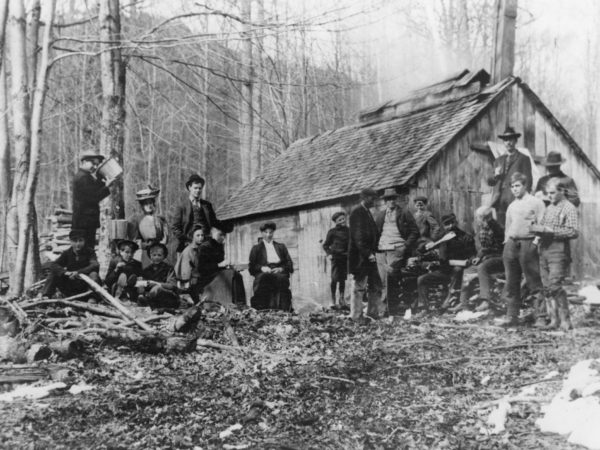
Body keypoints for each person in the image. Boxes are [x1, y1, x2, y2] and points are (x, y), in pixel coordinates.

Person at [498, 172, 545, 327]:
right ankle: (512, 315)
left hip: (528, 243)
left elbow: (542, 224)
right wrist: (507, 242)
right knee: (511, 281)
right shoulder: (512, 205)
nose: (515, 189)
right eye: (512, 186)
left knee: (533, 280)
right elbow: (508, 226)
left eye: (517, 186)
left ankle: (541, 316)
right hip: (512, 244)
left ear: (525, 186)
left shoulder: (536, 203)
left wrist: (536, 242)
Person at [532, 178, 579, 330]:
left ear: (562, 191)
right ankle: (553, 320)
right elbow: (543, 227)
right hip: (543, 249)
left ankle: (565, 321)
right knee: (547, 287)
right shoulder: (549, 208)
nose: (550, 196)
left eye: (552, 193)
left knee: (555, 285)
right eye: (548, 193)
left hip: (558, 251)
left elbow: (573, 231)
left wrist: (552, 232)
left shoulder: (569, 208)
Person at [416, 213, 476, 314]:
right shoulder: (442, 238)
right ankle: (424, 307)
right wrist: (425, 247)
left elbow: (472, 257)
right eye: (447, 224)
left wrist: (463, 262)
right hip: (444, 271)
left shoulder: (465, 238)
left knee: (457, 270)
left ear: (455, 222)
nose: (450, 226)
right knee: (421, 279)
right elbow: (425, 249)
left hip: (458, 272)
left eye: (452, 223)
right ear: (443, 226)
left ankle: (446, 303)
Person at [374, 188, 419, 315]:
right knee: (382, 280)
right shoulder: (381, 215)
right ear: (385, 201)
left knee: (391, 277)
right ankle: (384, 310)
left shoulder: (404, 213)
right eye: (388, 199)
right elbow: (376, 232)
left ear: (396, 200)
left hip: (397, 248)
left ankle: (392, 310)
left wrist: (405, 245)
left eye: (393, 199)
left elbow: (415, 231)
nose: (391, 202)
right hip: (382, 249)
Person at [452, 206, 504, 312]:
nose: (478, 219)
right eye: (478, 217)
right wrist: (478, 257)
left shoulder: (495, 227)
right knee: (468, 270)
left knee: (482, 267)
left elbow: (495, 247)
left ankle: (486, 300)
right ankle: (463, 302)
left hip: (498, 257)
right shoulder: (482, 228)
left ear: (485, 217)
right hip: (486, 257)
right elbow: (483, 248)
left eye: (479, 217)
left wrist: (482, 256)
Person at [170, 174, 229, 253]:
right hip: (187, 244)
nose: (198, 190)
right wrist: (186, 240)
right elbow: (175, 228)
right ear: (189, 188)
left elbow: (214, 222)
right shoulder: (181, 206)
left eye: (200, 188)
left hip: (205, 243)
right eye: (195, 188)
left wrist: (228, 226)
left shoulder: (207, 205)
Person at [348, 188, 383, 320]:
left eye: (375, 199)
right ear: (364, 198)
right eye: (372, 199)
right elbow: (358, 237)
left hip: (370, 255)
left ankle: (372, 313)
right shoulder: (357, 212)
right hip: (361, 257)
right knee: (359, 286)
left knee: (376, 285)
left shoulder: (366, 212)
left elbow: (373, 234)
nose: (374, 201)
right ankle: (356, 316)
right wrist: (368, 253)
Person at [487, 126, 533, 226]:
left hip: (515, 198)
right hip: (499, 200)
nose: (508, 142)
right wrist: (495, 174)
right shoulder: (498, 160)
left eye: (511, 139)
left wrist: (522, 200)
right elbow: (489, 182)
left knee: (514, 226)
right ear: (503, 142)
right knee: (500, 227)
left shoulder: (523, 158)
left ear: (516, 141)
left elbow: (528, 182)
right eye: (505, 140)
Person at [72, 150, 116, 247]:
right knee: (85, 249)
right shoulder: (82, 178)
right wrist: (107, 187)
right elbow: (93, 197)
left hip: (86, 222)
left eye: (97, 165)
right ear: (84, 162)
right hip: (83, 223)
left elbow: (95, 188)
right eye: (93, 163)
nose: (95, 167)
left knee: (87, 249)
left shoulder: (86, 176)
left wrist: (102, 180)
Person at [41, 229, 101, 298]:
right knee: (54, 273)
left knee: (94, 274)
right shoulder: (67, 253)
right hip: (71, 285)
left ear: (84, 241)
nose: (78, 244)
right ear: (71, 242)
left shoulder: (89, 252)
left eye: (80, 240)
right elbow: (53, 265)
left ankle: (92, 298)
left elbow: (95, 265)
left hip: (85, 286)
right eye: (75, 241)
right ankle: (46, 296)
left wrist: (78, 272)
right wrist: (65, 272)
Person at [248, 222, 294, 311]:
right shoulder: (256, 248)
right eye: (266, 232)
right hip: (264, 272)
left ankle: (283, 310)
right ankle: (262, 310)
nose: (268, 235)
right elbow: (251, 267)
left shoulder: (281, 247)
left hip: (279, 272)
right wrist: (262, 268)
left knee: (281, 280)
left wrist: (281, 268)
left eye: (271, 232)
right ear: (261, 233)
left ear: (273, 232)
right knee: (264, 279)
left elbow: (289, 263)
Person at [127, 187, 169, 266]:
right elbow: (134, 240)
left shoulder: (160, 219)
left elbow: (165, 237)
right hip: (144, 253)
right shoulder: (137, 220)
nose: (149, 206)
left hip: (159, 252)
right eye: (146, 203)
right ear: (142, 205)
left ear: (154, 204)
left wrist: (161, 245)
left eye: (150, 203)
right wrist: (146, 245)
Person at [322, 211, 350, 309]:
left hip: (345, 258)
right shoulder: (332, 232)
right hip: (335, 258)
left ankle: (341, 299)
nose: (343, 221)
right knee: (334, 279)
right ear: (336, 222)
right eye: (340, 220)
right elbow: (325, 245)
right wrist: (329, 254)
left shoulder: (348, 231)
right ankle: (332, 299)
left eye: (343, 218)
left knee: (342, 279)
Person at [138, 242, 179, 309]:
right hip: (152, 295)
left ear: (164, 256)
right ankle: (146, 301)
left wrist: (156, 284)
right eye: (154, 255)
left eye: (159, 255)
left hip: (168, 296)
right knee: (140, 287)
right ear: (150, 256)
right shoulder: (147, 269)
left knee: (157, 289)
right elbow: (145, 284)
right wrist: (142, 283)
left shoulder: (169, 268)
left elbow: (172, 285)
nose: (156, 257)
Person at [174, 226, 205, 303]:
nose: (201, 238)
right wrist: (191, 279)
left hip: (195, 279)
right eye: (198, 235)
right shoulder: (189, 251)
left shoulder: (197, 249)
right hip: (186, 281)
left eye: (202, 235)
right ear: (193, 237)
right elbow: (185, 269)